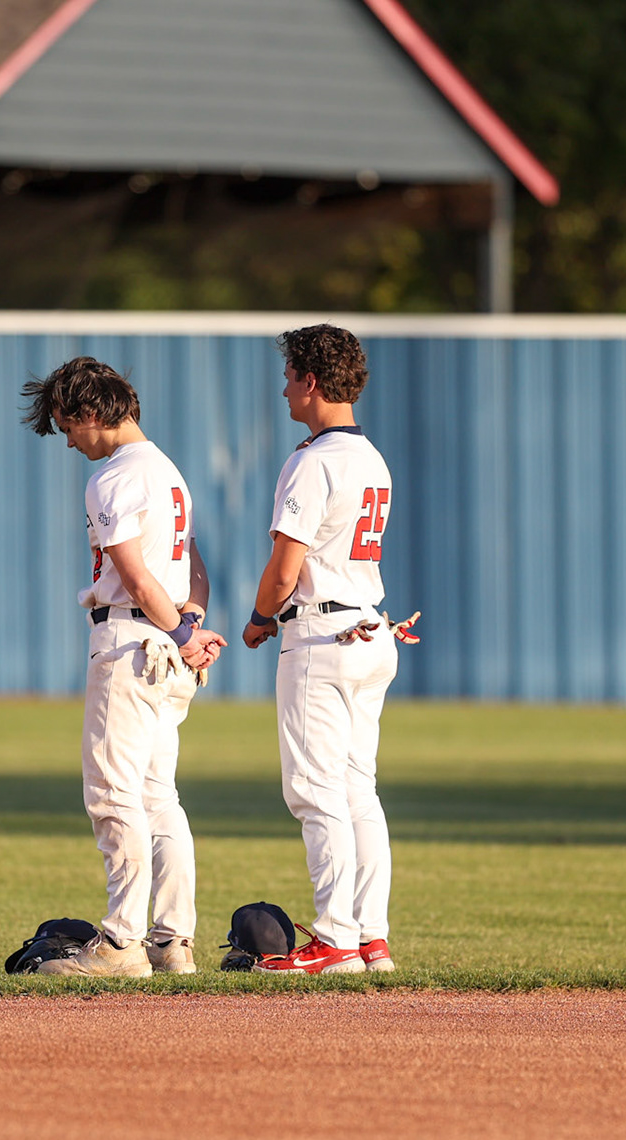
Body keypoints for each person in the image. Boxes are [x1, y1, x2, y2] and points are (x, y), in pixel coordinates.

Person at [20, 357, 226, 978]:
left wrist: (180, 630)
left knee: (113, 795)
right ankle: (172, 941)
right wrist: (191, 623)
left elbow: (134, 572)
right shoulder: (167, 472)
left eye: (67, 426)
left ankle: (121, 943)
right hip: (166, 649)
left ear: (88, 413)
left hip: (132, 644)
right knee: (159, 798)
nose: (69, 441)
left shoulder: (114, 475)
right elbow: (194, 567)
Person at [240, 325, 404, 975]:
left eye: (289, 377)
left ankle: (336, 937)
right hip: (369, 628)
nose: (284, 390)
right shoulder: (371, 458)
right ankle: (370, 938)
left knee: (315, 791)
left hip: (321, 632)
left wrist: (258, 620)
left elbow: (286, 566)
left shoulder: (314, 460)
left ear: (311, 380)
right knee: (357, 789)